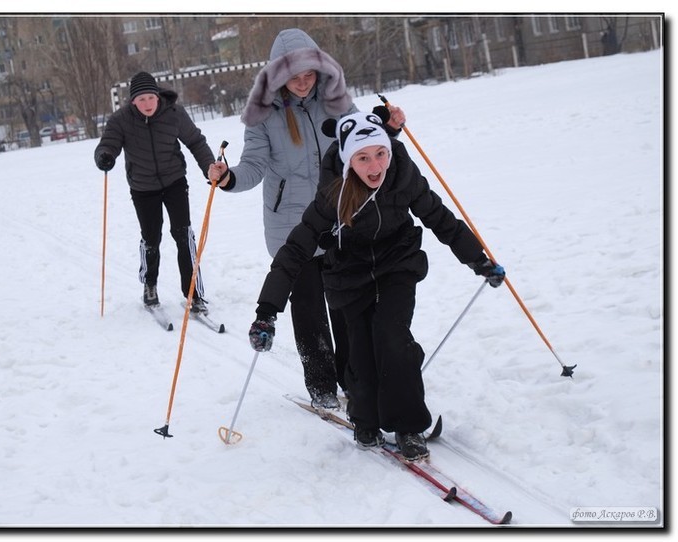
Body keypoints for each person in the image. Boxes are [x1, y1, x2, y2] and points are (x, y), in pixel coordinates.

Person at [246, 109, 506, 461]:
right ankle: (365, 418)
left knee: (392, 337)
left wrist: (479, 259)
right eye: (363, 158)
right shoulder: (333, 192)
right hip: (350, 272)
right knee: (361, 350)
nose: (375, 166)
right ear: (348, 159)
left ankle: (408, 425)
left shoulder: (402, 175)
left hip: (398, 262)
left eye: (380, 154)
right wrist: (266, 311)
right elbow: (295, 250)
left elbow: (440, 218)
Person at [207, 28, 406, 409]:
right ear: (278, 76)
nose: (302, 83)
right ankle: (321, 388)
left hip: (340, 217)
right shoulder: (263, 116)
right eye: (294, 77)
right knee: (310, 309)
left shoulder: (335, 102)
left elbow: (363, 139)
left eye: (308, 75)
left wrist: (388, 126)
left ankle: (356, 380)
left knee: (347, 304)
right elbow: (253, 165)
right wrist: (228, 177)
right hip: (291, 226)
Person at [94, 71, 216, 314]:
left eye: (151, 98)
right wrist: (105, 157)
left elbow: (195, 141)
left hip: (174, 181)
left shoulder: (174, 113)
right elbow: (108, 144)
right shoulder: (121, 120)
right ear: (132, 102)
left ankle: (193, 292)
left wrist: (209, 167)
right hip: (143, 187)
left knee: (184, 236)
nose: (147, 104)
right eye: (141, 100)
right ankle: (150, 285)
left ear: (158, 96)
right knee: (151, 239)